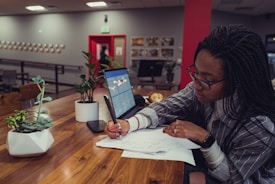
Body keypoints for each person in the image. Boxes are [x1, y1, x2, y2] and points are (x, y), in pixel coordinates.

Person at [105, 24, 275, 183]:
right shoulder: (203, 90)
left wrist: (205, 138)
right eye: (196, 73)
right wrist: (130, 123)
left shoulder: (260, 127)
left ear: (238, 81)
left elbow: (232, 177)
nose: (196, 85)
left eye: (207, 79)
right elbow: (170, 105)